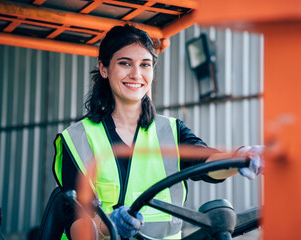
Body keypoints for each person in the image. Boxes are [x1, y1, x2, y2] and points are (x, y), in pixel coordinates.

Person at [52, 24, 264, 240]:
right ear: (104, 68)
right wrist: (109, 225)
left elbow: (207, 163)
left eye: (145, 65)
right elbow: (76, 228)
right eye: (125, 63)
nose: (136, 74)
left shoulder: (170, 130)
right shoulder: (78, 139)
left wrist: (240, 157)